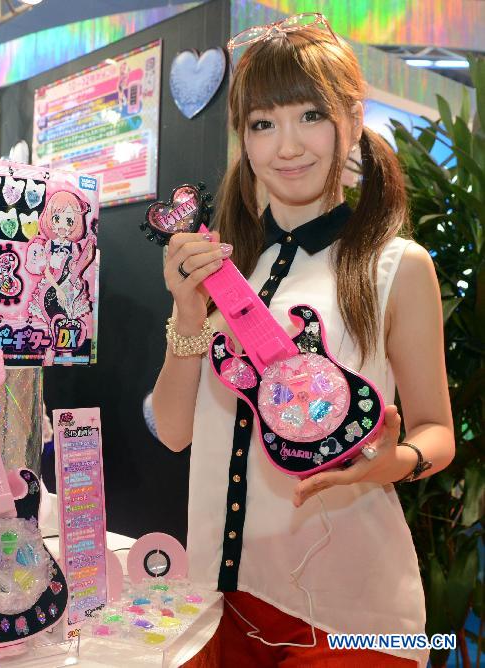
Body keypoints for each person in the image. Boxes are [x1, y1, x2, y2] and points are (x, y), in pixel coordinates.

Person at [151, 15, 454, 667]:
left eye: (309, 116)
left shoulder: (397, 266)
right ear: (244, 137)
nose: (286, 145)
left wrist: (392, 462)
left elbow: (436, 431)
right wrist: (185, 310)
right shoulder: (227, 271)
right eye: (263, 123)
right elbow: (176, 431)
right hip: (214, 604)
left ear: (350, 118)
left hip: (352, 614)